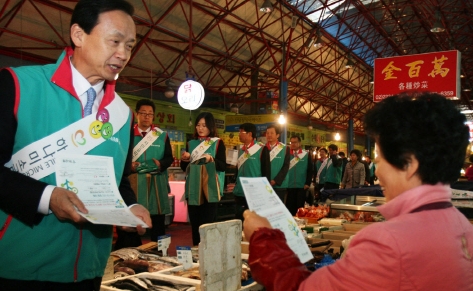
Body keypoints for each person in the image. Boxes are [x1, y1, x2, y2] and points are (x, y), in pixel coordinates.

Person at [242, 92, 473, 291]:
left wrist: (263, 236)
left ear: (410, 165)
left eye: (379, 159)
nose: (378, 171)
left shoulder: (387, 243)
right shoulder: (463, 227)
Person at [0, 1, 152, 290]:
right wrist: (46, 198)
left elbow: (118, 182)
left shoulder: (122, 115)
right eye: (115, 41)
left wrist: (129, 204)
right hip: (18, 266)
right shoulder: (19, 86)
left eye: (130, 46)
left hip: (90, 270)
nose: (123, 54)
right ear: (78, 35)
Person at [115, 99, 173, 249]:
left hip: (156, 184)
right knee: (132, 221)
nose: (147, 117)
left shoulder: (162, 136)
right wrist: (129, 166)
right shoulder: (127, 134)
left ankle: (161, 253)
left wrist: (161, 164)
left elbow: (169, 158)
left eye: (150, 114)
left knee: (158, 221)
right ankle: (131, 253)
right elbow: (119, 157)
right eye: (143, 113)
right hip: (134, 183)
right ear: (137, 114)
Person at [180, 112, 226, 246]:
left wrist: (210, 159)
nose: (200, 128)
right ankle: (196, 251)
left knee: (208, 224)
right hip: (193, 188)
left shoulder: (217, 143)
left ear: (211, 127)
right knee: (195, 224)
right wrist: (185, 159)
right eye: (198, 125)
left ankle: (210, 252)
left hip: (210, 189)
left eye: (204, 125)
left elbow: (223, 166)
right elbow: (185, 168)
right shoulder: (190, 143)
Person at [232, 123, 270, 221]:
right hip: (239, 192)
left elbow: (266, 171)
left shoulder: (262, 149)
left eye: (241, 132)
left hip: (255, 193)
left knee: (254, 222)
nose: (239, 134)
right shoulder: (240, 150)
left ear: (250, 134)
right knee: (239, 221)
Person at [285, 136, 313, 215]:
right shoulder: (287, 154)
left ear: (299, 143)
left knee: (300, 208)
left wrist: (307, 183)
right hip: (289, 185)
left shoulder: (306, 154)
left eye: (295, 142)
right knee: (290, 207)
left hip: (301, 186)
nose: (293, 144)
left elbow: (310, 170)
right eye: (291, 142)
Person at [264, 124, 290, 203]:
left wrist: (276, 180)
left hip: (279, 185)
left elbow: (286, 166)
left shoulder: (285, 148)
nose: (269, 135)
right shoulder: (262, 148)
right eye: (267, 133)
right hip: (265, 184)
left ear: (277, 135)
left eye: (272, 133)